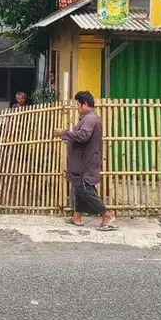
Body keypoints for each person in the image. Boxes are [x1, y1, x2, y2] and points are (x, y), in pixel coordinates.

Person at [53, 90, 117, 231]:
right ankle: (77, 217)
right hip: (84, 159)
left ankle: (107, 214)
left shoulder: (90, 119)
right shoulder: (89, 118)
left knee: (84, 189)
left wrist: (64, 133)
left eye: (79, 104)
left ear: (85, 104)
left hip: (86, 160)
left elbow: (83, 136)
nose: (77, 107)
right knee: (80, 187)